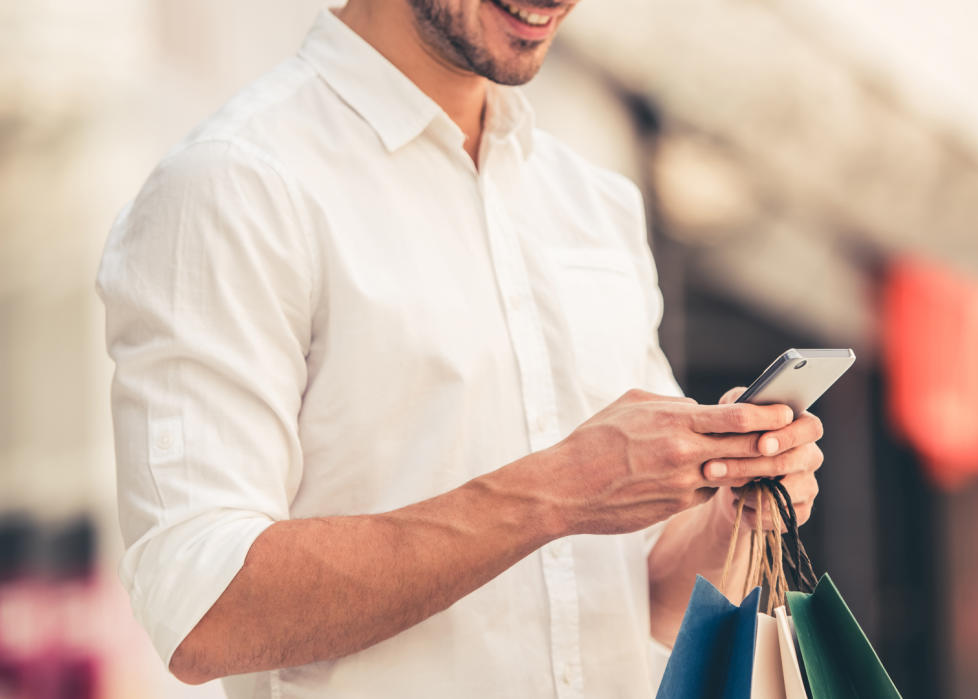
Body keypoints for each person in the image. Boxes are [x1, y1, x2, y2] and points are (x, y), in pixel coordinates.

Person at [96, 1, 825, 696]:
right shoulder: (233, 187)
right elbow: (204, 605)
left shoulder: (593, 204)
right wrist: (560, 489)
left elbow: (646, 597)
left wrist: (729, 503)